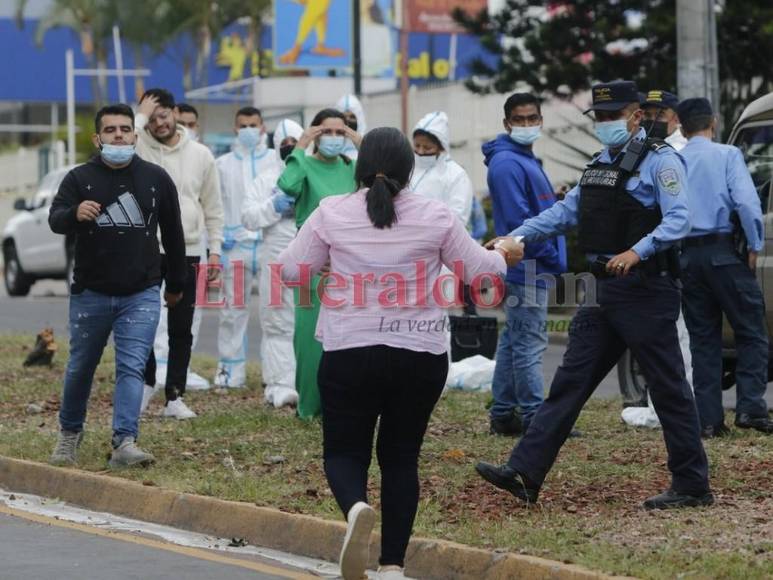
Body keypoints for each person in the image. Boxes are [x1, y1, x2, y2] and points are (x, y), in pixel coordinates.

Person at [277, 127, 522, 580]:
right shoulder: (436, 215)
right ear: (410, 170)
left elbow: (292, 271)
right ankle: (392, 565)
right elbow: (480, 274)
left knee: (344, 453)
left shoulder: (331, 212)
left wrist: (327, 262)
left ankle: (355, 508)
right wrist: (505, 253)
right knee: (401, 457)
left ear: (359, 167)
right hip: (419, 355)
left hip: (350, 351)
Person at [476, 81, 713, 511]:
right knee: (570, 381)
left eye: (611, 116)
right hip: (603, 289)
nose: (604, 123)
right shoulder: (600, 164)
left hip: (647, 288)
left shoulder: (661, 161)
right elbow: (563, 213)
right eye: (599, 117)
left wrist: (636, 252)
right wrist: (516, 236)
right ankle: (525, 472)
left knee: (668, 387)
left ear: (635, 117)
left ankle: (693, 485)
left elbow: (681, 218)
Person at [48, 104, 186, 468]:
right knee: (80, 367)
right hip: (90, 293)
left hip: (141, 292)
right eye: (111, 130)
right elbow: (55, 219)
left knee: (132, 367)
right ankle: (69, 435)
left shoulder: (156, 178)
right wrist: (74, 213)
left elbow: (174, 235)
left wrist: (176, 283)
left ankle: (125, 441)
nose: (119, 135)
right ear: (98, 138)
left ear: (135, 136)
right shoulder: (78, 178)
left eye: (125, 129)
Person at [677, 97, 773, 437]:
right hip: (724, 253)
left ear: (681, 128)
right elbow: (747, 203)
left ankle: (708, 421)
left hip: (687, 257)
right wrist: (755, 245)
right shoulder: (728, 155)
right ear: (714, 122)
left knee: (704, 340)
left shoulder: (673, 160)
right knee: (751, 331)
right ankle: (750, 409)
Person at [135, 88, 224, 420]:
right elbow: (112, 146)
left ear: (175, 113)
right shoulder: (138, 148)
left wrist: (215, 252)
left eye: (163, 116)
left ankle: (175, 395)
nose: (159, 124)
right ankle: (145, 384)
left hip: (188, 249)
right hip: (145, 249)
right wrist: (140, 116)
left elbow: (213, 208)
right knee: (141, 323)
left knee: (181, 328)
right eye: (152, 119)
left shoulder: (201, 155)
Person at [482, 93, 567, 436]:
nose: (528, 125)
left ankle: (503, 413)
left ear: (541, 120)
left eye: (533, 118)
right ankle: (535, 418)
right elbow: (520, 223)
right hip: (526, 265)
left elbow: (531, 210)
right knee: (530, 343)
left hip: (529, 264)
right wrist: (551, 256)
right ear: (507, 123)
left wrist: (555, 201)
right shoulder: (507, 164)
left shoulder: (522, 158)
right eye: (520, 119)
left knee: (514, 340)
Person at [277, 108, 359, 419]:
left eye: (341, 132)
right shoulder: (305, 165)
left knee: (350, 338)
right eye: (327, 132)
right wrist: (300, 145)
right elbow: (288, 185)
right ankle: (309, 406)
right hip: (312, 261)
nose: (334, 138)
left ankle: (341, 405)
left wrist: (360, 142)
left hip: (349, 261)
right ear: (314, 134)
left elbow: (384, 180)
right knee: (309, 338)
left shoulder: (353, 168)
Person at [622, 89, 693, 429]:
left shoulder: (675, 153)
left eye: (659, 114)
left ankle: (667, 411)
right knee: (667, 336)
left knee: (678, 337)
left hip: (677, 251)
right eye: (647, 114)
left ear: (675, 118)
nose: (652, 120)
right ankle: (665, 408)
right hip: (659, 251)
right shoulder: (643, 151)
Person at [214, 106, 280, 388]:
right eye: (243, 125)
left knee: (274, 311)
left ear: (263, 127)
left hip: (269, 244)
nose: (248, 130)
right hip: (236, 246)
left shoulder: (276, 160)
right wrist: (218, 240)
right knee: (232, 311)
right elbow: (215, 204)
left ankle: (275, 373)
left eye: (253, 125)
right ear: (235, 128)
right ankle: (230, 374)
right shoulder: (223, 164)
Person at [242, 118, 304, 407]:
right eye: (284, 144)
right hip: (276, 259)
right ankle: (280, 384)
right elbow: (248, 217)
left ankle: (308, 380)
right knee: (278, 320)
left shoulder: (313, 173)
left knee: (310, 321)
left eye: (295, 143)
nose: (289, 147)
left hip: (312, 258)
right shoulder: (266, 179)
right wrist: (273, 206)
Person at [336, 94, 368, 160]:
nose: (348, 120)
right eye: (344, 117)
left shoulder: (368, 145)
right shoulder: (329, 146)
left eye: (352, 117)